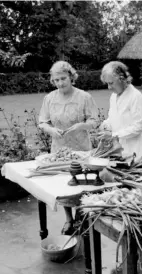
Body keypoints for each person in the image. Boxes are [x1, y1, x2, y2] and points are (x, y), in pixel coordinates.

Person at [39, 61, 99, 235]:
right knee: (63, 185)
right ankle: (68, 219)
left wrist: (81, 126)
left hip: (81, 148)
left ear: (72, 77)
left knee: (81, 184)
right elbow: (42, 122)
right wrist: (51, 129)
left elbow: (94, 122)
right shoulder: (49, 99)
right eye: (56, 80)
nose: (60, 83)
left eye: (63, 78)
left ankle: (81, 217)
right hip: (59, 150)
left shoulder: (85, 97)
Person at [97, 61, 142, 165]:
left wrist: (113, 135)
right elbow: (113, 117)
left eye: (111, 83)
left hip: (137, 147)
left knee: (139, 177)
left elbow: (138, 127)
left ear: (122, 79)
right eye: (107, 84)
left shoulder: (136, 96)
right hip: (119, 148)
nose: (109, 88)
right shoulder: (113, 96)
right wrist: (104, 125)